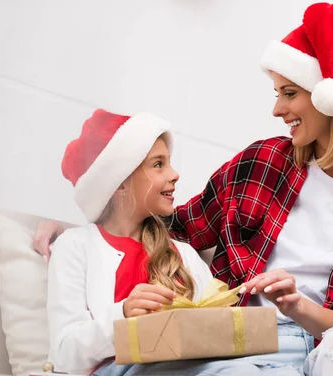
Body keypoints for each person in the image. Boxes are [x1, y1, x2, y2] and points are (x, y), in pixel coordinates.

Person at [36, 3, 333, 376]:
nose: (277, 110)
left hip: (328, 346)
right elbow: (169, 228)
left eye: (289, 93)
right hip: (243, 345)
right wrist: (77, 225)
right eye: (276, 94)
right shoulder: (260, 163)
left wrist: (298, 307)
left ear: (330, 98)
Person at [46, 109, 214, 375]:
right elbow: (64, 352)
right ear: (120, 182)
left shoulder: (184, 254)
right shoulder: (75, 246)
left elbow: (217, 331)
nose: (174, 174)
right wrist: (123, 314)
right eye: (158, 164)